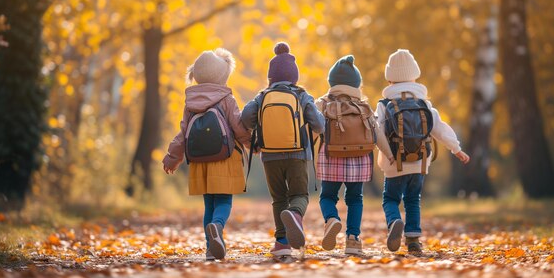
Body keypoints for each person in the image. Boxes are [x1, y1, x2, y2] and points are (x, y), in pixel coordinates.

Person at [377, 49, 470, 255]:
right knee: (412, 199)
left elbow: (378, 132)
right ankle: (413, 241)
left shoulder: (384, 105)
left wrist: (388, 155)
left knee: (390, 199)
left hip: (394, 163)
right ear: (414, 75)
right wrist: (457, 149)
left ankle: (394, 222)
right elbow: (440, 129)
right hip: (419, 162)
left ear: (389, 77)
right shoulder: (424, 103)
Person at [162, 48, 251, 261]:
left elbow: (183, 132)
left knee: (208, 205)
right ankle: (217, 227)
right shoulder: (226, 98)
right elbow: (238, 127)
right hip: (224, 158)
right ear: (222, 76)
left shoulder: (190, 101)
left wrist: (172, 157)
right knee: (223, 202)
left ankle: (211, 249)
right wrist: (252, 144)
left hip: (200, 161)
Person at [241, 42, 325, 257]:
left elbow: (245, 118)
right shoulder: (301, 95)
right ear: (294, 76)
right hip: (297, 154)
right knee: (299, 195)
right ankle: (295, 215)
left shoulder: (262, 96)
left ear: (271, 76)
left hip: (270, 156)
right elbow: (319, 125)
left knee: (279, 199)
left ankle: (281, 244)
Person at [315, 55, 394, 255]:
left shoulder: (323, 104)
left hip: (331, 157)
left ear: (331, 82)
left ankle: (332, 219)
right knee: (355, 198)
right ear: (356, 83)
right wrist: (390, 155)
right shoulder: (364, 107)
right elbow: (377, 134)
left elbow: (311, 128)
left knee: (327, 196)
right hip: (359, 160)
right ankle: (353, 239)